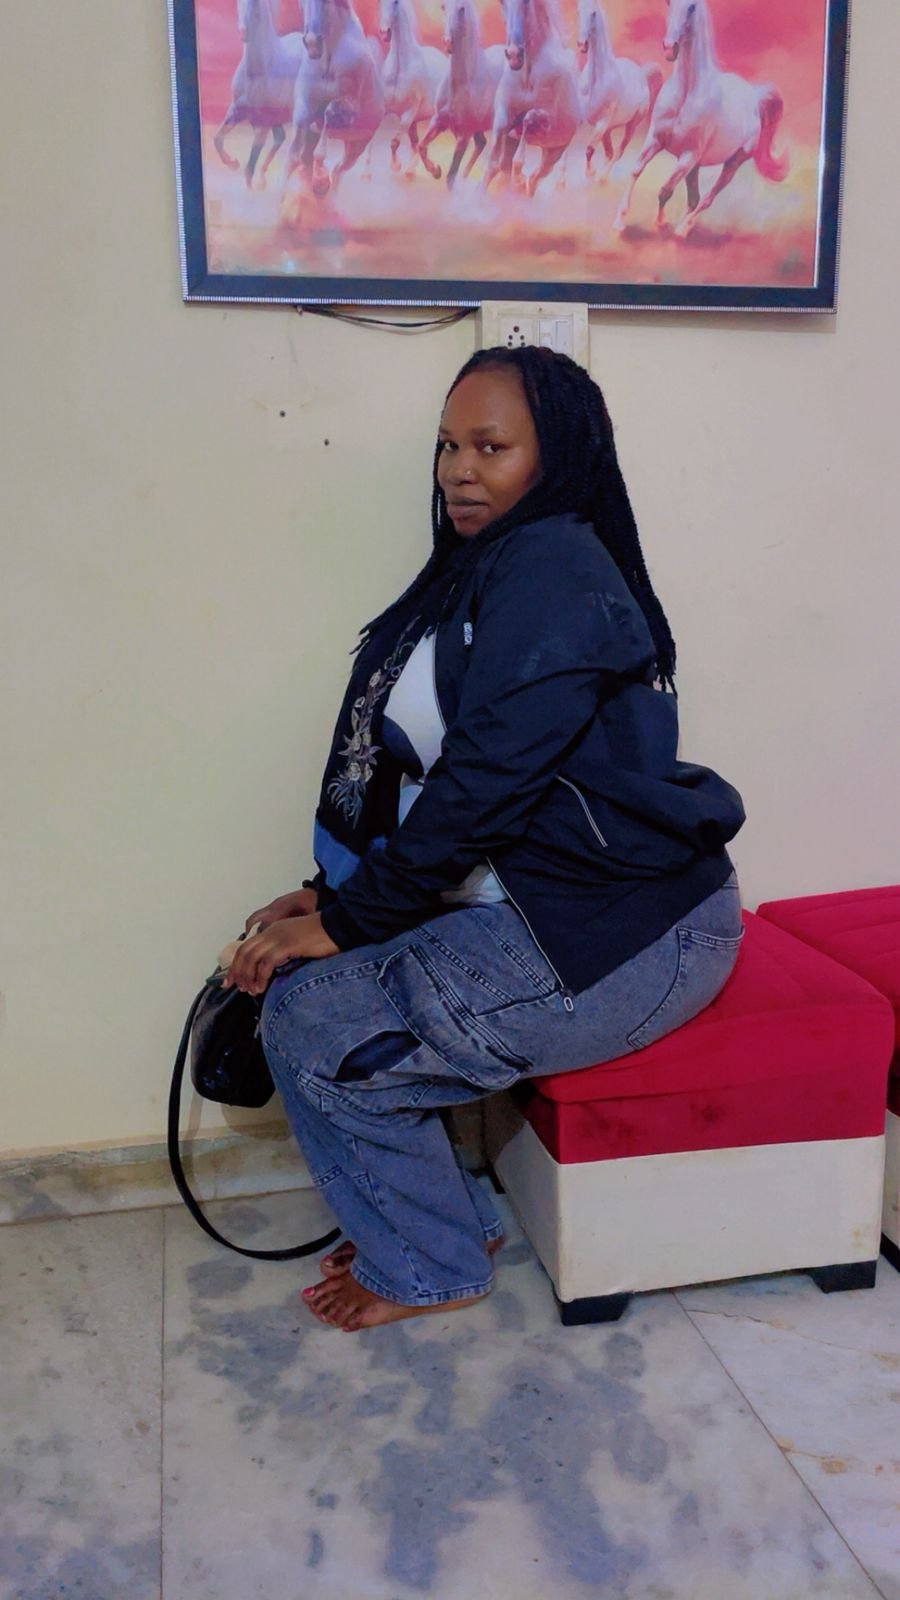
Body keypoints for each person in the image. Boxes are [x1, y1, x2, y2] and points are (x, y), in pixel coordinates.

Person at [225, 345, 745, 1332]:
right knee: (294, 982)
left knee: (312, 1019)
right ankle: (453, 1224)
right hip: (549, 899)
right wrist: (331, 895)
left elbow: (485, 782)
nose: (459, 470)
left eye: (491, 447)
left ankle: (432, 1265)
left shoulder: (554, 569)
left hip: (633, 933)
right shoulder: (480, 571)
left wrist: (349, 920)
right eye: (447, 446)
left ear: (559, 456)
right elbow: (418, 775)